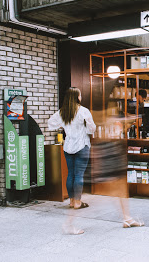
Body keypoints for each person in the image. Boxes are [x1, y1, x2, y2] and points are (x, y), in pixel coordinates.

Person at [48, 87, 95, 234]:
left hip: (68, 146)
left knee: (71, 174)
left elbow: (50, 124)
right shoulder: (83, 111)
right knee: (79, 174)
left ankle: (71, 201)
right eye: (80, 94)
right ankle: (78, 202)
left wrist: (62, 126)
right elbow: (91, 129)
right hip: (82, 146)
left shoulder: (62, 112)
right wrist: (87, 126)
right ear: (77, 97)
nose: (81, 96)